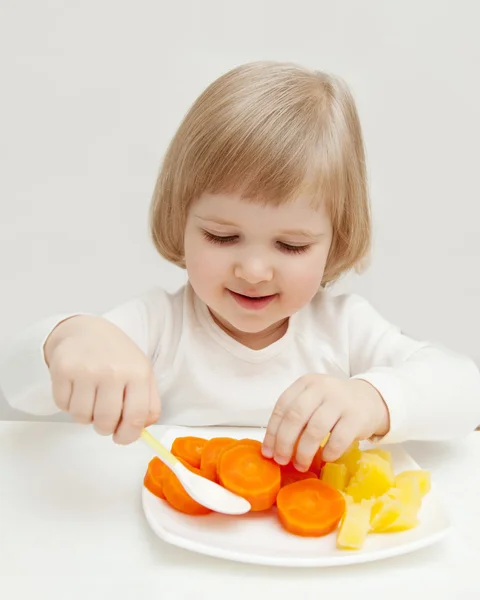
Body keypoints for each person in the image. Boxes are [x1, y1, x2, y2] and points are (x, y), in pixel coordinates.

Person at [1, 61, 479, 474]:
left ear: (336, 241)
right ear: (181, 222)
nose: (253, 270)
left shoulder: (343, 329)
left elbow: (467, 394)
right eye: (222, 237)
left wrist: (375, 400)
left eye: (291, 246)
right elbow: (17, 390)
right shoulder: (157, 326)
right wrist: (69, 337)